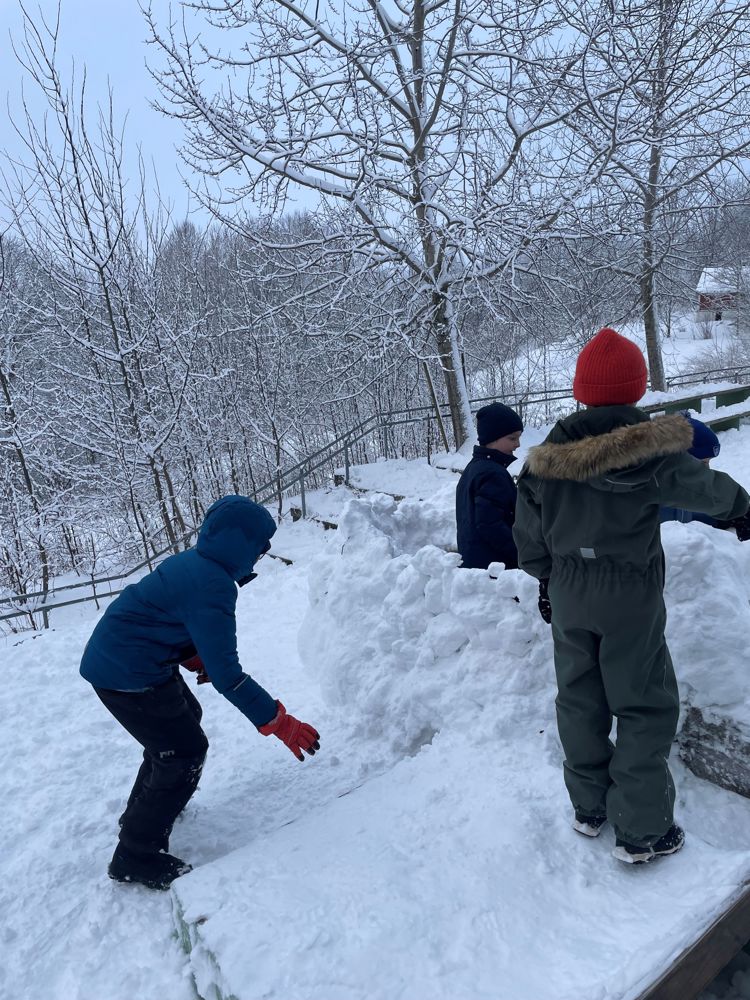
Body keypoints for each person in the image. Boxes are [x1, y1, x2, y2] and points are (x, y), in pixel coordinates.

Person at [512, 327, 749, 865]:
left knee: (578, 695)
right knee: (642, 701)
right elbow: (704, 488)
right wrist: (741, 508)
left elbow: (527, 532)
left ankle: (589, 807)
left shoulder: (543, 461)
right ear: (638, 390)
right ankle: (643, 830)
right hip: (629, 593)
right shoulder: (651, 451)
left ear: (579, 392)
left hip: (569, 591)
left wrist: (546, 578)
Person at [80, 495, 320, 890]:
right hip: (126, 672)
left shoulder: (194, 563)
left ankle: (143, 811)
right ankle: (135, 854)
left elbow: (166, 617)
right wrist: (279, 722)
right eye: (260, 545)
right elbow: (230, 677)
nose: (263, 554)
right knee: (183, 751)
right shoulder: (213, 586)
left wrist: (195, 658)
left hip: (126, 659)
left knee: (181, 724)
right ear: (241, 545)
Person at [455, 402, 524, 570]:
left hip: (476, 562)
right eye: (512, 438)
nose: (518, 444)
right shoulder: (492, 473)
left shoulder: (474, 467)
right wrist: (523, 553)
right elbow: (490, 525)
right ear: (492, 438)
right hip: (494, 568)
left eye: (519, 438)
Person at [660, 415, 750, 539]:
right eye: (703, 462)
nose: (707, 469)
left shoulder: (683, 484)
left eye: (708, 462)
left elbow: (691, 513)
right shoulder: (655, 488)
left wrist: (728, 518)